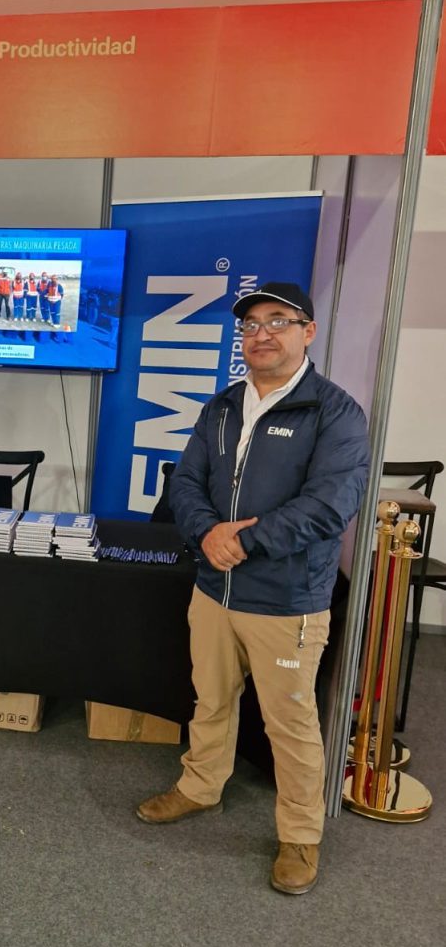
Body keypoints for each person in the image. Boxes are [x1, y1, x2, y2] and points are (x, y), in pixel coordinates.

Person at [135, 282, 369, 896]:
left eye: (278, 321)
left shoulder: (335, 412)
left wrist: (246, 541)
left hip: (286, 599)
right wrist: (206, 533)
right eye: (251, 325)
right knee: (210, 700)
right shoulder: (222, 406)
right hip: (214, 590)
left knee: (290, 721)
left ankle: (300, 834)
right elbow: (185, 482)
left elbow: (330, 505)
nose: (261, 334)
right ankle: (199, 786)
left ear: (308, 332)